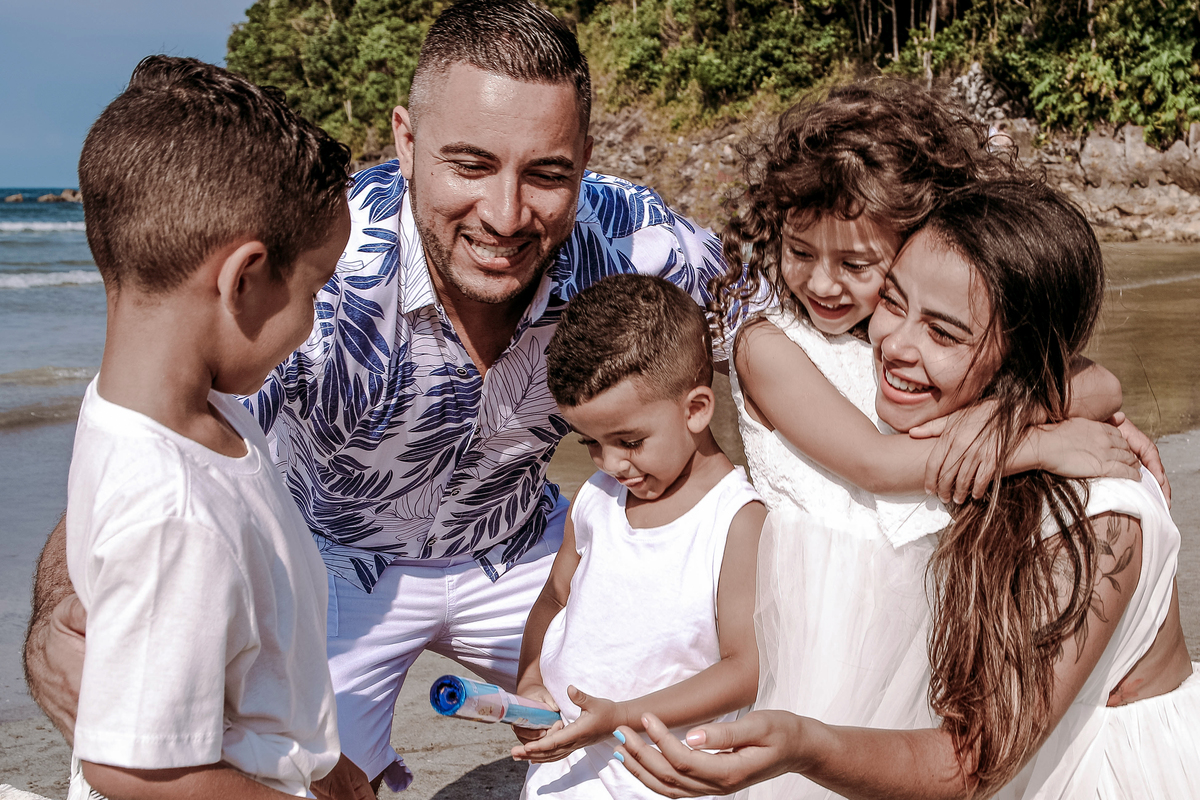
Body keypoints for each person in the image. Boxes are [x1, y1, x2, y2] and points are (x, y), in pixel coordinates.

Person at [22, 0, 729, 792]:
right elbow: (159, 443)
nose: (505, 213)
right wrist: (61, 603)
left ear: (583, 160)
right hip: (329, 564)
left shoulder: (630, 236)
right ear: (406, 141)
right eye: (470, 165)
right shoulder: (311, 270)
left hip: (519, 546)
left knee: (708, 691)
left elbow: (771, 326)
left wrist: (766, 522)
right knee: (278, 767)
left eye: (546, 173)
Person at [615, 180, 1200, 799]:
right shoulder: (948, 441)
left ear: (1024, 359)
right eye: (892, 303)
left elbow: (972, 763)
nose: (895, 345)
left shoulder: (1094, 518)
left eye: (944, 335)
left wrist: (805, 746)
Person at [705, 82, 1149, 799]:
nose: (822, 283)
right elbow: (879, 465)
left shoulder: (906, 332)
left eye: (857, 266)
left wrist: (998, 415)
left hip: (930, 600)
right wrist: (1031, 444)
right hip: (826, 616)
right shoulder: (768, 346)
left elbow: (1099, 384)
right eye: (799, 252)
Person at [60, 56, 370, 799]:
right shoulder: (174, 510)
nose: (313, 322)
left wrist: (320, 765)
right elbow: (136, 766)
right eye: (317, 288)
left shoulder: (186, 416)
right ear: (244, 279)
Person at [510, 274, 766, 798]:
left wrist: (621, 716)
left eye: (628, 441)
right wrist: (530, 680)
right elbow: (554, 599)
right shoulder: (596, 498)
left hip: (664, 773)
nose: (611, 463)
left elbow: (745, 669)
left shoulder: (735, 519)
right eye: (591, 444)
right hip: (567, 768)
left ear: (695, 409)